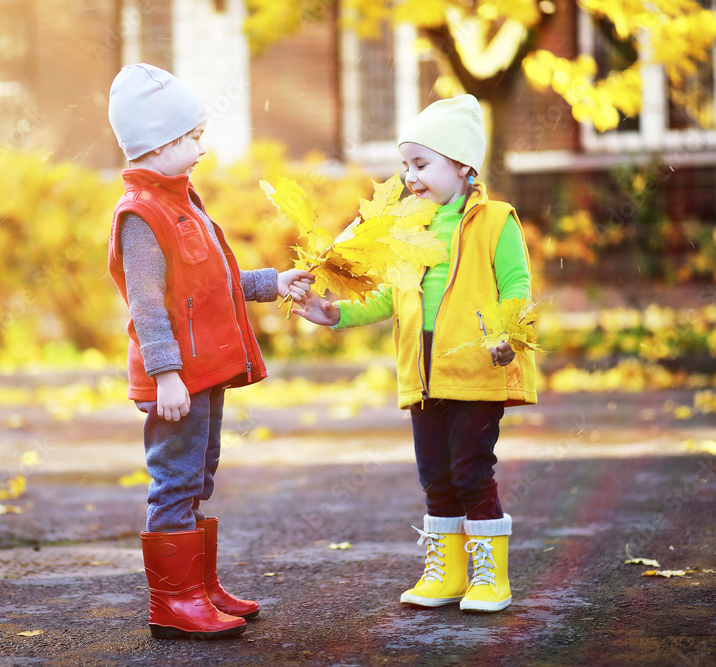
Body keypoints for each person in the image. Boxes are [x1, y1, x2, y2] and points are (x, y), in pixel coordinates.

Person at [293, 94, 536, 613]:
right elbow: (388, 295)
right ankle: (445, 575)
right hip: (422, 372)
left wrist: (504, 334)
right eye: (405, 165)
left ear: (463, 167)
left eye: (422, 164)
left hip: (474, 366)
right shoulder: (409, 228)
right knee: (435, 476)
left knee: (471, 470)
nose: (410, 177)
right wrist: (333, 313)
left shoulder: (496, 221)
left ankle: (490, 578)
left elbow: (516, 285)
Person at [107, 63, 313, 639]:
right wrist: (166, 374)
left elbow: (211, 281)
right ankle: (174, 604)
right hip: (179, 380)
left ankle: (199, 588)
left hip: (205, 373)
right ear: (159, 142)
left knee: (199, 475)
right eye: (192, 137)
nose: (202, 146)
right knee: (173, 480)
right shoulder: (141, 217)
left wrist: (274, 283)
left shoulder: (183, 202)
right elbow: (147, 305)